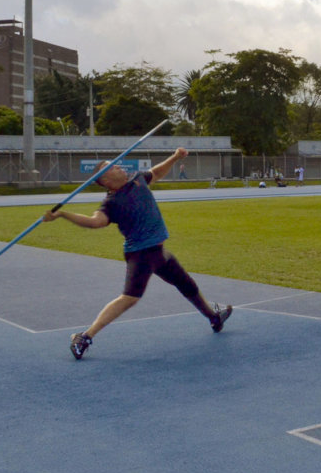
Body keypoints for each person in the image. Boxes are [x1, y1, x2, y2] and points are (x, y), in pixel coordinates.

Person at [42, 148, 232, 360]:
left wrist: (176, 157)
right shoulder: (111, 203)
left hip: (159, 253)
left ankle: (214, 317)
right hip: (140, 255)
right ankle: (84, 337)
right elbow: (96, 222)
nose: (119, 166)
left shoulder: (137, 179)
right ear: (104, 179)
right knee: (129, 298)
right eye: (112, 167)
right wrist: (63, 214)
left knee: (187, 285)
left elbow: (157, 173)